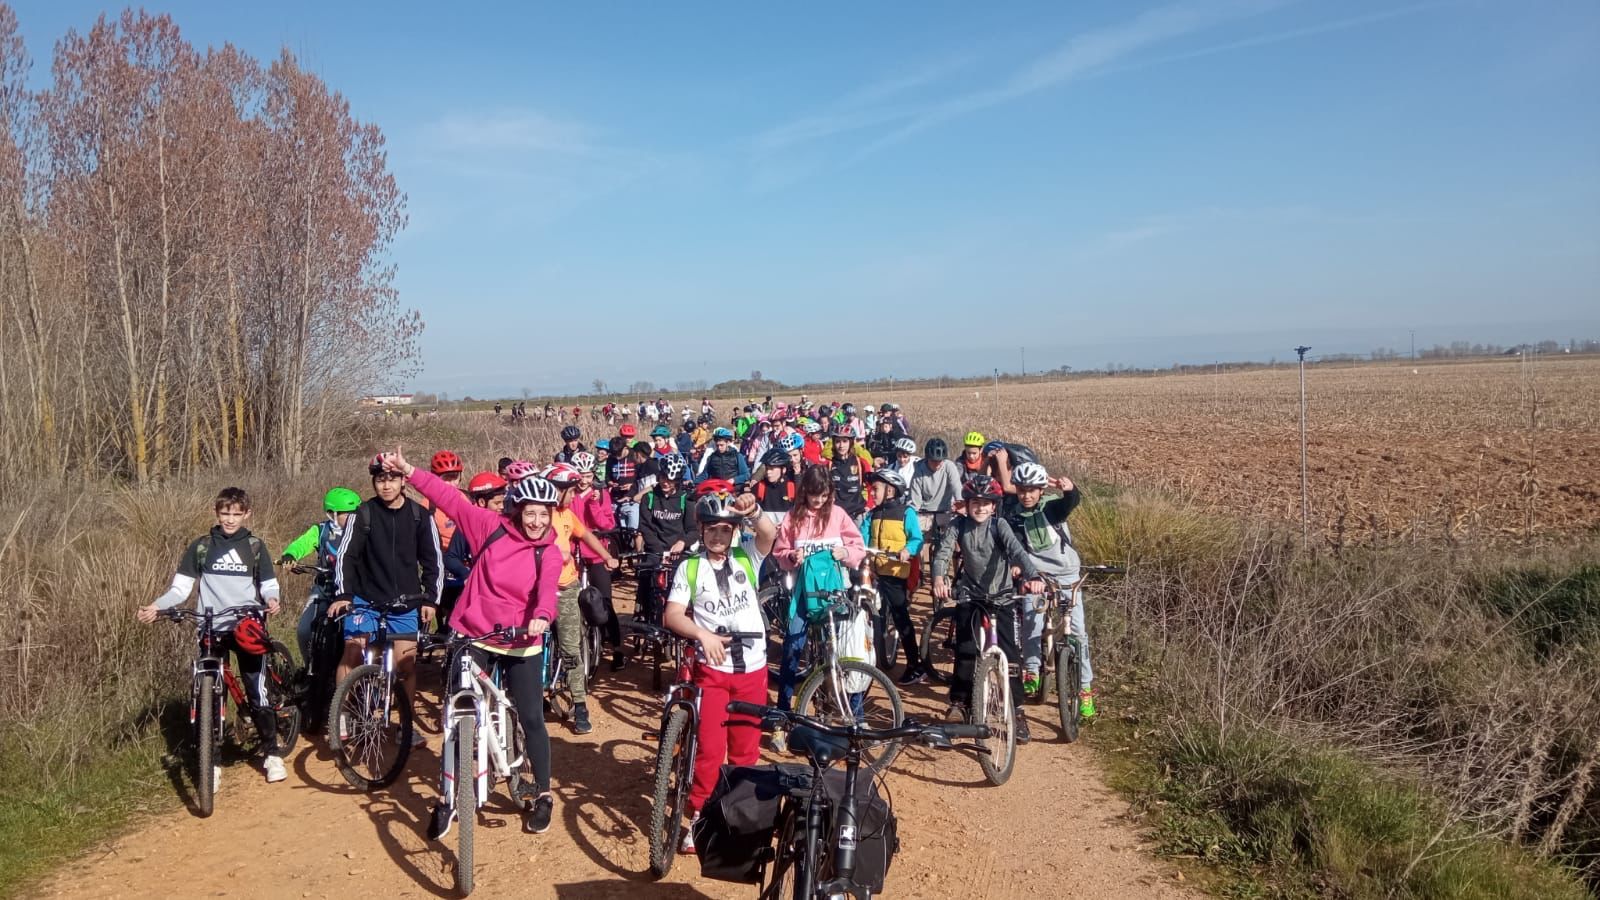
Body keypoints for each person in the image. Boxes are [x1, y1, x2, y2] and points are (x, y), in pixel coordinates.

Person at [390, 451, 564, 836]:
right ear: (518, 510)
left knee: (532, 716)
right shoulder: (491, 526)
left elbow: (547, 593)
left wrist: (542, 616)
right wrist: (408, 471)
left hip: (522, 639)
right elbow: (447, 497)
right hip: (475, 632)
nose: (536, 522)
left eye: (544, 514)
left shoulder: (549, 552)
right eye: (530, 512)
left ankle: (544, 794)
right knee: (458, 711)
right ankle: (449, 794)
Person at [137, 487, 286, 785]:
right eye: (225, 513)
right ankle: (212, 762)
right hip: (210, 626)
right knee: (210, 695)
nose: (230, 520)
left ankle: (272, 754)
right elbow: (181, 589)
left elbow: (269, 583)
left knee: (257, 690)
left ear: (247, 514)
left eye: (236, 514)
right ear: (216, 513)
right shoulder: (202, 547)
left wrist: (271, 600)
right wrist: (156, 606)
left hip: (246, 626)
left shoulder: (255, 547)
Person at [664, 489, 777, 853]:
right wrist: (701, 633)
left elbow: (768, 534)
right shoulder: (690, 567)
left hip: (752, 670)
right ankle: (699, 818)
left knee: (745, 752)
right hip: (712, 672)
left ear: (733, 532)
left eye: (725, 530)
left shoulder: (748, 557)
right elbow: (673, 614)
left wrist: (755, 511)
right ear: (700, 529)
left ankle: (740, 820)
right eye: (710, 529)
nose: (717, 537)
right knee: (709, 751)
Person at [332, 456, 443, 744]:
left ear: (403, 481)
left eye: (392, 479)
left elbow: (433, 562)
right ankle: (343, 714)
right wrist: (344, 595)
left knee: (405, 664)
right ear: (374, 483)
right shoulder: (362, 514)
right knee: (353, 652)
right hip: (364, 599)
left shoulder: (420, 516)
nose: (386, 485)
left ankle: (404, 725)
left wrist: (430, 599)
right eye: (380, 480)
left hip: (406, 602)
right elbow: (346, 557)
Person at [931, 474, 1044, 742]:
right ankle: (960, 703)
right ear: (967, 505)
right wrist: (938, 577)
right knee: (966, 649)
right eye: (975, 503)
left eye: (986, 503)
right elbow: (943, 553)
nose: (980, 508)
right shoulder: (959, 526)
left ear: (994, 506)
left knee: (1010, 656)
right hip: (971, 595)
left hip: (1002, 596)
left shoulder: (999, 525)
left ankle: (1016, 711)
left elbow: (1018, 552)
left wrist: (1034, 577)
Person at [1003, 462, 1095, 718]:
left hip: (1068, 574)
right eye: (1022, 490)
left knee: (1078, 632)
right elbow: (1015, 547)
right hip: (1038, 576)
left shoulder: (1052, 509)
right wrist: (1017, 567)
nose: (1027, 495)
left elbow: (1070, 503)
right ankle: (1032, 669)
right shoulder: (1013, 517)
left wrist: (1070, 489)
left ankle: (1085, 690)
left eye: (1032, 490)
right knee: (1032, 619)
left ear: (1041, 490)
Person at [771, 466, 866, 712]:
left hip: (835, 593)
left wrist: (845, 552)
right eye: (815, 495)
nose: (819, 500)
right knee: (792, 647)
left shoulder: (838, 515)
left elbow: (858, 546)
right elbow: (779, 552)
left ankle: (857, 714)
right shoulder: (793, 517)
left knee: (847, 651)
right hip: (804, 596)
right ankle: (783, 710)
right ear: (805, 492)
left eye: (824, 496)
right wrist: (792, 556)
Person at [543, 462, 622, 734]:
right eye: (571, 490)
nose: (575, 496)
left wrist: (607, 555)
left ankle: (579, 704)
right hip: (539, 589)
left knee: (570, 647)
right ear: (558, 490)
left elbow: (586, 534)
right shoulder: (539, 515)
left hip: (566, 587)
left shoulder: (566, 515)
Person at [278, 487, 360, 664]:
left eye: (355, 513)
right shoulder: (321, 530)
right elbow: (302, 544)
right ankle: (310, 668)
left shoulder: (362, 531)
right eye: (347, 514)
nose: (352, 518)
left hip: (353, 591)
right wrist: (290, 555)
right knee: (304, 630)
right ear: (332, 514)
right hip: (324, 589)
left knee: (356, 633)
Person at [860, 469, 924, 682]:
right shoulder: (872, 514)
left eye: (875, 489)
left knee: (900, 617)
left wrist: (908, 550)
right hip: (876, 573)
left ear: (890, 491)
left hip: (897, 574)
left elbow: (916, 539)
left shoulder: (907, 513)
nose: (871, 493)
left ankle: (915, 665)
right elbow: (862, 538)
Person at [568, 452, 625, 670]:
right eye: (580, 475)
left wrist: (592, 503)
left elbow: (606, 525)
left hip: (596, 553)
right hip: (573, 554)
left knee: (604, 600)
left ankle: (617, 648)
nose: (584, 480)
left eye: (588, 475)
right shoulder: (568, 493)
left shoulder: (600, 493)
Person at [635, 454, 696, 624]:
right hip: (656, 549)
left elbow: (693, 530)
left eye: (670, 479)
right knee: (646, 576)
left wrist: (682, 542)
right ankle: (642, 615)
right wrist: (659, 550)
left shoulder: (686, 500)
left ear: (677, 480)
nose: (665, 482)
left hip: (678, 550)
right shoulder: (650, 498)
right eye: (662, 477)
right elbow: (645, 527)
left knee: (686, 580)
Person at [442, 472, 508, 623]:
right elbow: (450, 557)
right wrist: (467, 575)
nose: (502, 507)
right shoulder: (466, 527)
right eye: (497, 503)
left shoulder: (506, 524)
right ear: (481, 503)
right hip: (474, 594)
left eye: (502, 502)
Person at [907, 437, 964, 577]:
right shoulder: (919, 470)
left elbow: (957, 489)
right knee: (918, 540)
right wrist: (914, 513)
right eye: (933, 461)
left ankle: (954, 574)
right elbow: (915, 499)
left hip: (945, 510)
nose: (937, 464)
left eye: (940, 461)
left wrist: (960, 504)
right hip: (924, 511)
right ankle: (918, 572)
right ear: (927, 459)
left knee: (950, 541)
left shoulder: (949, 467)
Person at [427, 451, 466, 616]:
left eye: (454, 477)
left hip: (465, 564)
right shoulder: (427, 507)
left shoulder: (466, 499)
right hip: (442, 567)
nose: (451, 483)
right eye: (446, 478)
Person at [824, 423, 872, 525]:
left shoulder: (861, 463)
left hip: (857, 514)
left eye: (845, 441)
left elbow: (871, 486)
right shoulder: (828, 465)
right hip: (835, 515)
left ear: (851, 442)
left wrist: (869, 505)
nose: (841, 445)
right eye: (837, 442)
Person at [752, 446, 796, 526]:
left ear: (783, 470)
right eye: (767, 468)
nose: (768, 472)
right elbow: (750, 517)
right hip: (766, 535)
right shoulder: (759, 487)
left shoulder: (792, 488)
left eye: (772, 469)